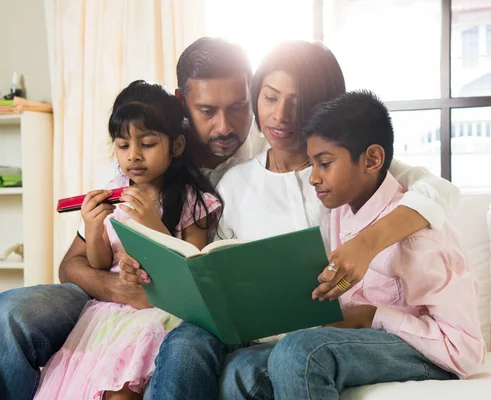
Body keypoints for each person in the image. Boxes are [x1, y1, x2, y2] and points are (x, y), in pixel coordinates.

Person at [0, 38, 458, 400]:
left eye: (239, 105)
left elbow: (435, 190)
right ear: (182, 105)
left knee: (189, 343)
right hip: (114, 297)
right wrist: (114, 286)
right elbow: (74, 263)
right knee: (12, 312)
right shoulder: (139, 158)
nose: (227, 126)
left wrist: (367, 242)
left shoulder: (291, 157)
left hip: (189, 316)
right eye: (207, 111)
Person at [220, 90, 486, 399]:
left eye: (325, 164)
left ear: (372, 159)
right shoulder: (339, 211)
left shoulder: (420, 240)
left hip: (423, 353)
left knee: (302, 352)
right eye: (312, 164)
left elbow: (466, 349)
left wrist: (370, 316)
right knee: (239, 368)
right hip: (361, 342)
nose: (313, 178)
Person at [33, 80, 222, 400]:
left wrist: (151, 222)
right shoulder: (113, 190)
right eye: (123, 146)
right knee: (92, 386)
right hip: (109, 312)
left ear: (175, 146)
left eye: (147, 144)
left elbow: (193, 270)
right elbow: (101, 264)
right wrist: (93, 229)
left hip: (159, 311)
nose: (133, 156)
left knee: (121, 391)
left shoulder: (193, 200)